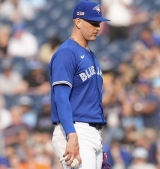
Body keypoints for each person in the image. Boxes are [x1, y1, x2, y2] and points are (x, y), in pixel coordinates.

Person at [49, 1, 110, 168]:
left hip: (91, 132)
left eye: (99, 23)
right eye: (93, 23)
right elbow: (61, 98)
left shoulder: (90, 54)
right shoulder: (67, 53)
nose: (97, 27)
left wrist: (96, 138)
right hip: (75, 129)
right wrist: (72, 135)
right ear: (78, 21)